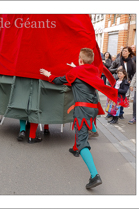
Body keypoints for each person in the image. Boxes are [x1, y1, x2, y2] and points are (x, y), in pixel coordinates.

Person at [40, 48, 118, 189]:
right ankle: (86, 136)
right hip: (92, 109)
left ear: (80, 60)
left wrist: (48, 74)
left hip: (82, 110)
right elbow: (83, 73)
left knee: (83, 142)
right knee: (82, 128)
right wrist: (76, 67)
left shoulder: (75, 73)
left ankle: (95, 175)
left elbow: (59, 80)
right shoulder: (93, 71)